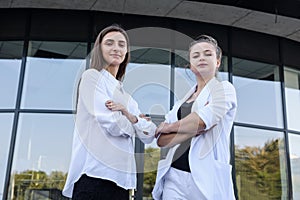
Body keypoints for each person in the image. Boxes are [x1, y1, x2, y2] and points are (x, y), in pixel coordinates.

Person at [62, 25, 156, 200]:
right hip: (94, 178)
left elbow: (149, 134)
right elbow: (113, 125)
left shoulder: (126, 97)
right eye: (109, 43)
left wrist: (129, 115)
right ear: (100, 49)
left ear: (126, 52)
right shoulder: (92, 78)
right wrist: (133, 123)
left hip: (122, 185)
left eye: (121, 44)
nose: (116, 48)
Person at [152, 35, 237, 200]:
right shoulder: (181, 102)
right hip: (174, 176)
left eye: (207, 54)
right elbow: (161, 140)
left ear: (218, 61)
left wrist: (171, 127)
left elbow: (202, 120)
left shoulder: (225, 90)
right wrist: (195, 127)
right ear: (191, 65)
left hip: (207, 178)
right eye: (196, 55)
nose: (201, 58)